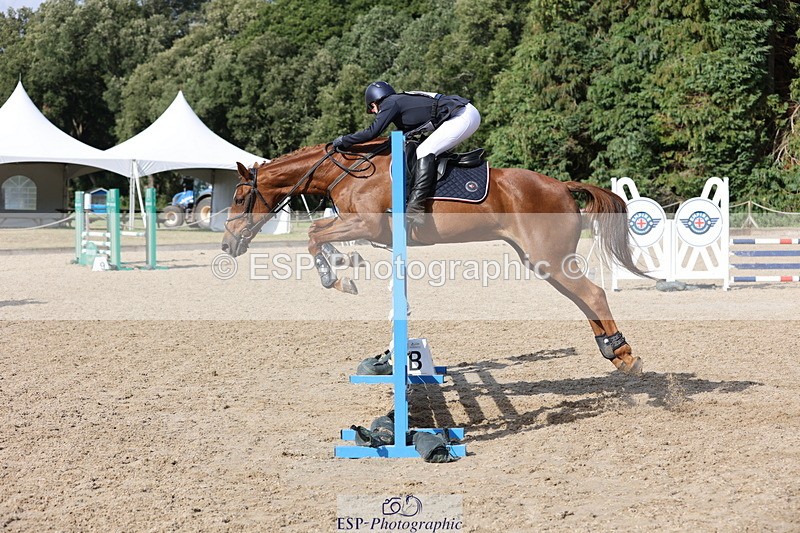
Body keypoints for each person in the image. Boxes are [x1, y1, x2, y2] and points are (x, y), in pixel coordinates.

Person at [332, 81, 481, 226]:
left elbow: (372, 132)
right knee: (424, 149)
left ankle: (416, 207)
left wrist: (344, 140)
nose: (373, 112)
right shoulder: (401, 104)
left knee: (425, 150)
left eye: (372, 108)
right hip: (462, 114)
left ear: (374, 102)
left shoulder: (390, 103)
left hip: (462, 115)